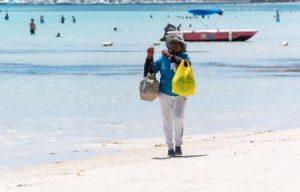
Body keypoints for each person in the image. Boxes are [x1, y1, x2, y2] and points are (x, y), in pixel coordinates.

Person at [144, 34, 191, 157]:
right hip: (164, 93)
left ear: (182, 46)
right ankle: (170, 148)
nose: (175, 46)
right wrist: (149, 58)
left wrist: (170, 56)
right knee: (167, 121)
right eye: (172, 44)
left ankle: (178, 145)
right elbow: (148, 73)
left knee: (178, 118)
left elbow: (185, 66)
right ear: (169, 45)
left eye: (178, 44)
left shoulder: (185, 57)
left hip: (181, 93)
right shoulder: (162, 59)